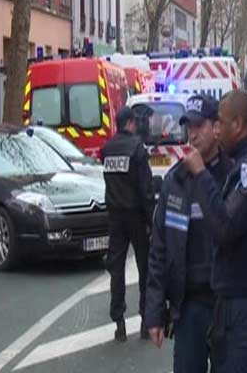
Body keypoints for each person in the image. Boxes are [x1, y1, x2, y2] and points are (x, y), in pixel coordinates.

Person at [183, 90, 247, 373]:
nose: (216, 129)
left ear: (237, 124)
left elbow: (224, 226)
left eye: (220, 123)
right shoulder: (243, 162)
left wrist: (202, 175)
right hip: (232, 302)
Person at [145, 94, 232, 373]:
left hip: (227, 303)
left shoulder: (234, 175)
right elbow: (159, 248)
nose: (192, 134)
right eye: (188, 127)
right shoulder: (176, 181)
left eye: (199, 125)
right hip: (190, 305)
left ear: (216, 127)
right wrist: (155, 313)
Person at [101, 107, 155, 342]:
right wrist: (151, 220)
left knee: (117, 269)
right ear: (131, 123)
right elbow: (146, 189)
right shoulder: (137, 149)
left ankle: (119, 322)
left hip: (115, 217)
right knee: (145, 269)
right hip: (136, 216)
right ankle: (145, 321)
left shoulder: (107, 149)